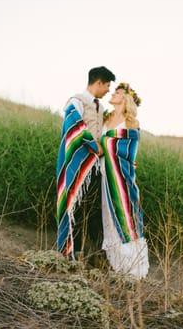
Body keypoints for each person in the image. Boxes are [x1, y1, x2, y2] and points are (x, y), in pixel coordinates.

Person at [56, 66, 115, 260]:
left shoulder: (101, 107)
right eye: (107, 85)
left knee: (90, 208)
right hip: (77, 164)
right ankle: (66, 252)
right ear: (98, 83)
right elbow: (74, 127)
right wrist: (93, 144)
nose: (108, 90)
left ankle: (84, 252)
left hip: (94, 168)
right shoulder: (76, 102)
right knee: (74, 204)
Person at [100, 83, 149, 279]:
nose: (113, 93)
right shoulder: (105, 117)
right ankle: (118, 266)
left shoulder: (131, 123)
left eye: (118, 92)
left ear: (126, 98)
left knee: (125, 217)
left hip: (122, 178)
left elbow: (129, 151)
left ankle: (134, 269)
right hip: (106, 175)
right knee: (110, 220)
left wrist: (106, 141)